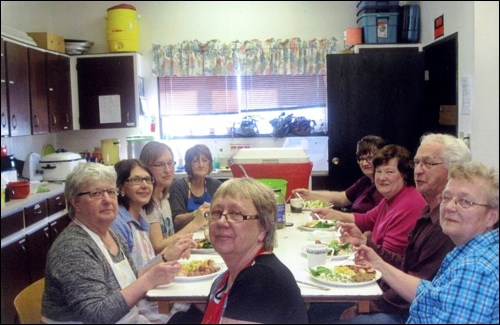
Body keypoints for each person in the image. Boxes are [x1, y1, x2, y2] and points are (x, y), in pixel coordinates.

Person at [308, 133, 471, 323]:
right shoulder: (427, 211)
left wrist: (369, 306)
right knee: (318, 309)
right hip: (394, 295)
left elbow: (418, 290)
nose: (418, 170)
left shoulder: (446, 224)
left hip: (409, 311)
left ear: (455, 171)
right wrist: (366, 243)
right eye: (417, 163)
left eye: (428, 163)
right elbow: (404, 265)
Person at [355, 161, 499, 324]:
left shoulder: (475, 269)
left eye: (465, 202)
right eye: (446, 197)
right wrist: (378, 264)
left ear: (492, 217)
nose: (450, 207)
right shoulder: (476, 249)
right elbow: (433, 293)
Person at [41, 162, 180, 323]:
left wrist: (162, 263)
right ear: (75, 203)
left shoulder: (111, 234)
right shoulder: (73, 247)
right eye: (96, 194)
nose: (107, 200)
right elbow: (97, 315)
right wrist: (149, 280)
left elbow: (131, 279)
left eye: (110, 192)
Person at [170, 178, 309, 323]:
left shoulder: (261, 279)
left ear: (263, 228)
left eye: (236, 214)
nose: (222, 222)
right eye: (216, 212)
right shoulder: (226, 278)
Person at [111, 159, 195, 322]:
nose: (145, 185)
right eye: (136, 180)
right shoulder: (118, 223)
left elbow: (145, 265)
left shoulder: (141, 219)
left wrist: (172, 253)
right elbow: (127, 279)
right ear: (121, 187)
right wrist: (165, 256)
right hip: (139, 310)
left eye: (148, 180)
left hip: (153, 296)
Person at [315, 144, 426, 256]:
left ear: (404, 175)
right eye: (378, 171)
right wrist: (331, 214)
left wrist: (362, 242)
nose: (382, 178)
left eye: (389, 172)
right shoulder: (391, 198)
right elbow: (366, 220)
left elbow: (389, 257)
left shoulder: (408, 204)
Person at [139, 141, 208, 254]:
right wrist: (195, 223)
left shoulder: (164, 199)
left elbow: (170, 237)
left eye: (170, 163)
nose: (167, 170)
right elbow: (158, 247)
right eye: (160, 164)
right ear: (146, 169)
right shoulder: (147, 202)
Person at [293, 135, 386, 213]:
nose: (364, 163)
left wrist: (334, 215)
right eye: (361, 159)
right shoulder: (365, 181)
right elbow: (341, 198)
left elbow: (372, 222)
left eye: (370, 158)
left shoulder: (384, 187)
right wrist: (309, 194)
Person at [169, 144, 222, 231]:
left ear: (209, 164)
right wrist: (196, 213)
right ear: (189, 165)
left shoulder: (216, 185)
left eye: (205, 160)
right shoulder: (179, 186)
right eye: (195, 161)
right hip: (187, 236)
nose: (201, 165)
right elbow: (176, 220)